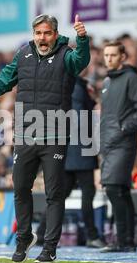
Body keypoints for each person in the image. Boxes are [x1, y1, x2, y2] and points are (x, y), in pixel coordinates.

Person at [0, 14, 90, 262]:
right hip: (26, 134)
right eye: (38, 33)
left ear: (56, 34)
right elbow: (2, 81)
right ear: (33, 34)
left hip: (55, 134)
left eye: (47, 33)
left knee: (54, 193)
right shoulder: (23, 55)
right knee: (20, 188)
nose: (42, 38)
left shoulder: (66, 54)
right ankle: (24, 237)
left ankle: (49, 247)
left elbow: (81, 61)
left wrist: (82, 39)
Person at [35, 75, 105, 248]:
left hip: (68, 149)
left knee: (59, 195)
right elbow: (81, 116)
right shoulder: (76, 85)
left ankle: (41, 233)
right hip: (80, 148)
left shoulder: (65, 82)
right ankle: (91, 235)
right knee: (87, 194)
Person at [99, 41, 137, 253]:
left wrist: (124, 128)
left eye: (113, 55)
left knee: (113, 188)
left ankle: (123, 240)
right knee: (120, 190)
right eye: (106, 55)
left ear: (123, 56)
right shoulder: (107, 82)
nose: (109, 59)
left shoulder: (132, 79)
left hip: (123, 142)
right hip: (108, 143)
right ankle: (126, 241)